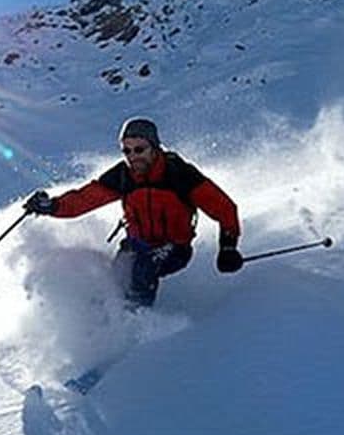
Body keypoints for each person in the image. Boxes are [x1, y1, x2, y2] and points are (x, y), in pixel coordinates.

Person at [24, 117, 242, 308]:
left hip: (174, 247)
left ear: (155, 148)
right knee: (115, 278)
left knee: (143, 269)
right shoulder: (123, 176)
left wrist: (228, 248)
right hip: (137, 244)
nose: (133, 156)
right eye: (127, 150)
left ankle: (138, 325)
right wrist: (51, 206)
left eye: (139, 149)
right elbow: (84, 199)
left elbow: (224, 209)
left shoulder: (179, 174)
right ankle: (104, 321)